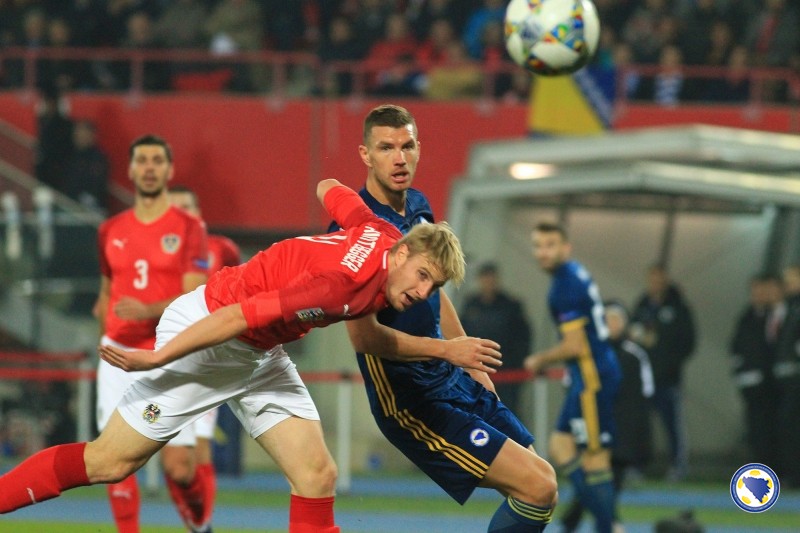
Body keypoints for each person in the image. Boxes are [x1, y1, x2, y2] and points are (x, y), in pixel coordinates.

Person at [0, 178, 497, 533]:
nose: (424, 292)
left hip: (259, 351)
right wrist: (158, 357)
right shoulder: (338, 288)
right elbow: (237, 316)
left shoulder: (383, 234)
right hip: (209, 334)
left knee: (317, 475)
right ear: (403, 254)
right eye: (423, 276)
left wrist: (330, 213)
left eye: (435, 285)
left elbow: (331, 188)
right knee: (109, 462)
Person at [328, 104, 557, 532]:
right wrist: (448, 351)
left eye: (407, 146)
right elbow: (364, 338)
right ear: (365, 155)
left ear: (419, 148)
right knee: (537, 486)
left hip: (451, 377)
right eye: (386, 148)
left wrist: (469, 363)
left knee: (542, 481)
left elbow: (437, 291)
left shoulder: (418, 206)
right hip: (413, 402)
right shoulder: (353, 231)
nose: (399, 158)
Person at [91, 134, 212, 533]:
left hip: (167, 356)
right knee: (111, 460)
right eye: (141, 160)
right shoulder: (110, 229)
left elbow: (194, 293)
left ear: (169, 169)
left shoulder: (189, 227)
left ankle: (200, 526)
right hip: (117, 355)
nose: (148, 167)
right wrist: (105, 331)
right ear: (130, 169)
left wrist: (146, 310)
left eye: (157, 161)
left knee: (179, 468)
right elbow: (106, 291)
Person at [524, 221, 621, 533]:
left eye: (550, 245)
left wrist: (539, 359)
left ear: (566, 248)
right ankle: (609, 523)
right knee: (560, 447)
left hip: (592, 378)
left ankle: (610, 527)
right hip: (590, 373)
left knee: (595, 460)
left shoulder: (564, 288)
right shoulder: (573, 273)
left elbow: (574, 345)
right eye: (538, 245)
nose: (543, 252)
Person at [168, 185, 244, 532]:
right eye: (175, 208)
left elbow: (244, 293)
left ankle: (202, 526)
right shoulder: (156, 251)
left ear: (198, 211)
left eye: (187, 206)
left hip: (206, 361)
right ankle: (195, 522)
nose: (182, 213)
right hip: (163, 360)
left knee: (199, 449)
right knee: (172, 462)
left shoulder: (221, 249)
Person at [559, 300, 654, 533]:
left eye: (617, 319)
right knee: (590, 483)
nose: (612, 324)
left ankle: (598, 523)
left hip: (621, 435)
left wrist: (639, 438)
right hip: (591, 432)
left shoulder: (635, 356)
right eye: (608, 319)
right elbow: (570, 385)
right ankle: (595, 523)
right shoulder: (585, 352)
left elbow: (645, 396)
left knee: (608, 485)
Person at [629, 263, 696, 481]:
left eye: (659, 278)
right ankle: (637, 466)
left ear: (666, 280)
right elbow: (631, 334)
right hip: (643, 379)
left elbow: (688, 342)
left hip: (668, 379)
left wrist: (669, 364)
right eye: (652, 278)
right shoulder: (642, 305)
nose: (655, 283)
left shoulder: (678, 307)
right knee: (639, 424)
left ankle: (678, 465)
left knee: (672, 424)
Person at [460, 261, 533, 413]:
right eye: (485, 278)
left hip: (506, 372)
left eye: (491, 278)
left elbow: (523, 336)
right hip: (477, 370)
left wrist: (519, 364)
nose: (488, 283)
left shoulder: (510, 306)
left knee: (506, 411)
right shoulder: (471, 305)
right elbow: (461, 334)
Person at [729, 274, 783, 470]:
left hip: (769, 383)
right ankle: (760, 466)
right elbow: (736, 346)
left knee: (771, 426)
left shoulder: (774, 316)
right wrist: (740, 370)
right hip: (750, 384)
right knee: (755, 426)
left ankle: (775, 467)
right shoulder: (746, 317)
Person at [774, 264, 800, 487]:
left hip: (795, 375)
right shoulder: (788, 306)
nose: (788, 283)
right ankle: (791, 472)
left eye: (793, 278)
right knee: (787, 425)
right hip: (787, 375)